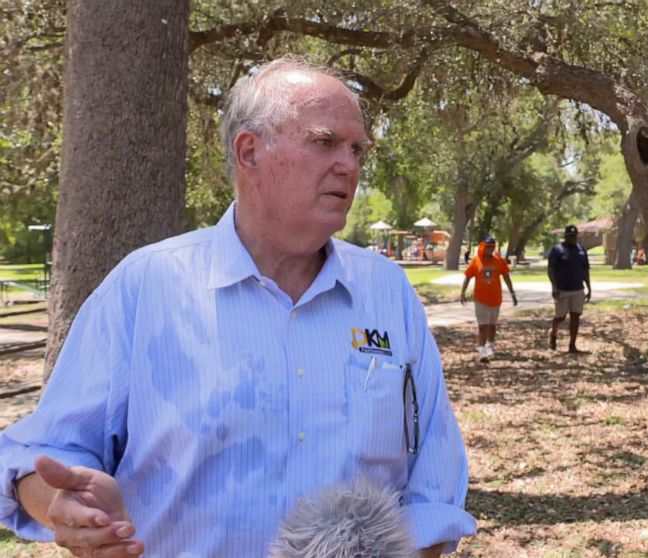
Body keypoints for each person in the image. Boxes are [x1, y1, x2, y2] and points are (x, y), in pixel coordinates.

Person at [0, 57, 475, 557]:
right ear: (250, 152)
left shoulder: (387, 291)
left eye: (357, 149)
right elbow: (39, 454)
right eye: (324, 142)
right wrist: (65, 504)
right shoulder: (147, 286)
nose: (349, 165)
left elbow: (434, 486)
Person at [459, 236, 517, 362]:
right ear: (483, 247)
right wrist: (462, 292)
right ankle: (481, 349)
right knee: (483, 325)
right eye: (488, 247)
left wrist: (512, 293)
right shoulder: (476, 261)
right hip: (480, 298)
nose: (490, 249)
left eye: (492, 247)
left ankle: (490, 346)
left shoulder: (499, 260)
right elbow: (468, 277)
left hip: (495, 298)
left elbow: (506, 277)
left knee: (492, 325)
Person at [547, 225, 591, 353]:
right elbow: (551, 270)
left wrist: (589, 287)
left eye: (574, 236)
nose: (572, 238)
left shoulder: (581, 250)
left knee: (575, 317)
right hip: (562, 290)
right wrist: (554, 287)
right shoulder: (557, 250)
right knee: (560, 317)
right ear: (565, 236)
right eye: (569, 236)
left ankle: (572, 345)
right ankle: (553, 332)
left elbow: (585, 270)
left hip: (578, 289)